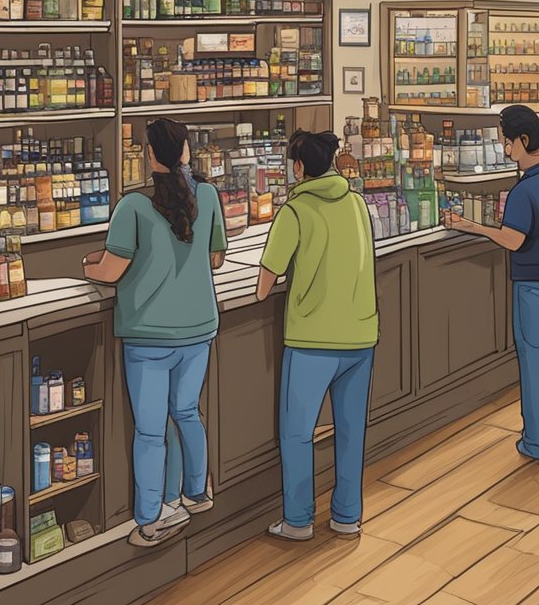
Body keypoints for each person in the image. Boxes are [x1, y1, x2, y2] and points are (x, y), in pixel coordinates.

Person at [83, 118, 226, 548]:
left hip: (149, 335)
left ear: (149, 156)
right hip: (199, 328)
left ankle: (151, 518)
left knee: (150, 429)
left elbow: (110, 271)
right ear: (185, 152)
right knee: (185, 412)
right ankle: (195, 492)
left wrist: (85, 266)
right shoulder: (209, 196)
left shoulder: (133, 206)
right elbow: (216, 259)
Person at [256, 131, 378, 542]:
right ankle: (346, 516)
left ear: (298, 167)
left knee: (297, 432)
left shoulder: (295, 210)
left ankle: (298, 520)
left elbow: (263, 283)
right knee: (350, 431)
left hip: (312, 340)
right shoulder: (357, 202)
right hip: (360, 334)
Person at [445, 105, 539, 460]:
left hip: (536, 284)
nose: (506, 150)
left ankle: (536, 441)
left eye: (508, 143)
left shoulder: (525, 190)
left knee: (535, 362)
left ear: (524, 140)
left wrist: (469, 226)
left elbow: (513, 240)